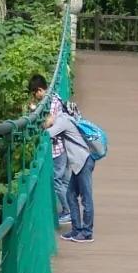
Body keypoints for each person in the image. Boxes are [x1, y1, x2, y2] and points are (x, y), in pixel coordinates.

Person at [46, 102, 95, 241]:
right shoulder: (67, 119)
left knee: (86, 198)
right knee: (70, 195)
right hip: (79, 162)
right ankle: (76, 229)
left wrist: (47, 123)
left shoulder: (63, 120)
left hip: (83, 161)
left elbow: (48, 133)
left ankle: (87, 233)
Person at [28, 72, 71, 230]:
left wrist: (35, 116)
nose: (35, 96)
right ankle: (69, 209)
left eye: (35, 93)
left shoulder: (51, 101)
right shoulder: (55, 96)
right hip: (61, 145)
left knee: (57, 181)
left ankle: (68, 211)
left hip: (57, 148)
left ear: (40, 90)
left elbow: (49, 122)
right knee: (63, 180)